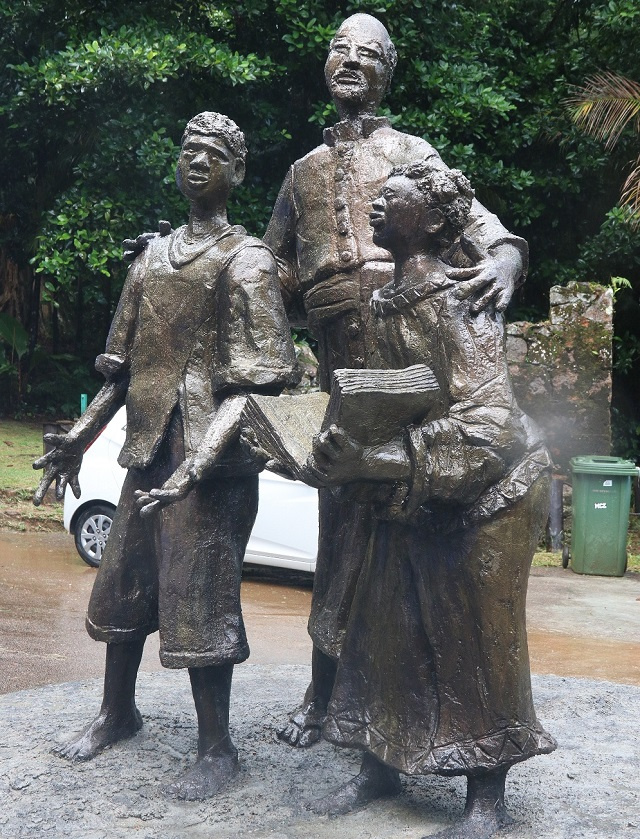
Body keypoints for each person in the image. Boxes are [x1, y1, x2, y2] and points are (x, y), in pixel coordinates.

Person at [263, 12, 530, 748]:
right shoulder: (302, 174)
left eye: (368, 53)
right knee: (337, 539)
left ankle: (397, 703)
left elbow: (480, 224)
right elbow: (272, 269)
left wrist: (506, 258)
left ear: (390, 69)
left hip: (414, 368)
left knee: (396, 541)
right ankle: (325, 699)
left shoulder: (413, 154)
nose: (351, 61)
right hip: (340, 372)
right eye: (339, 50)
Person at [33, 112, 298, 800]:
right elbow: (119, 373)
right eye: (187, 152)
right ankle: (116, 711)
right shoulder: (151, 259)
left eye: (213, 155)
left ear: (237, 173)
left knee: (201, 599)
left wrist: (201, 462)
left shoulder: (249, 261)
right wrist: (79, 438)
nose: (196, 163)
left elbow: (266, 377)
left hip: (210, 466)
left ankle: (219, 747)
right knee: (124, 582)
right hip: (149, 452)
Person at [304, 162, 555, 838]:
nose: (377, 203)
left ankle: (486, 796)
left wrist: (379, 458)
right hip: (419, 489)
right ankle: (376, 766)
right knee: (379, 624)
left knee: (475, 636)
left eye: (396, 197)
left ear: (438, 222)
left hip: (491, 493)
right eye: (375, 196)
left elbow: (490, 424)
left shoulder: (458, 300)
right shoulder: (388, 298)